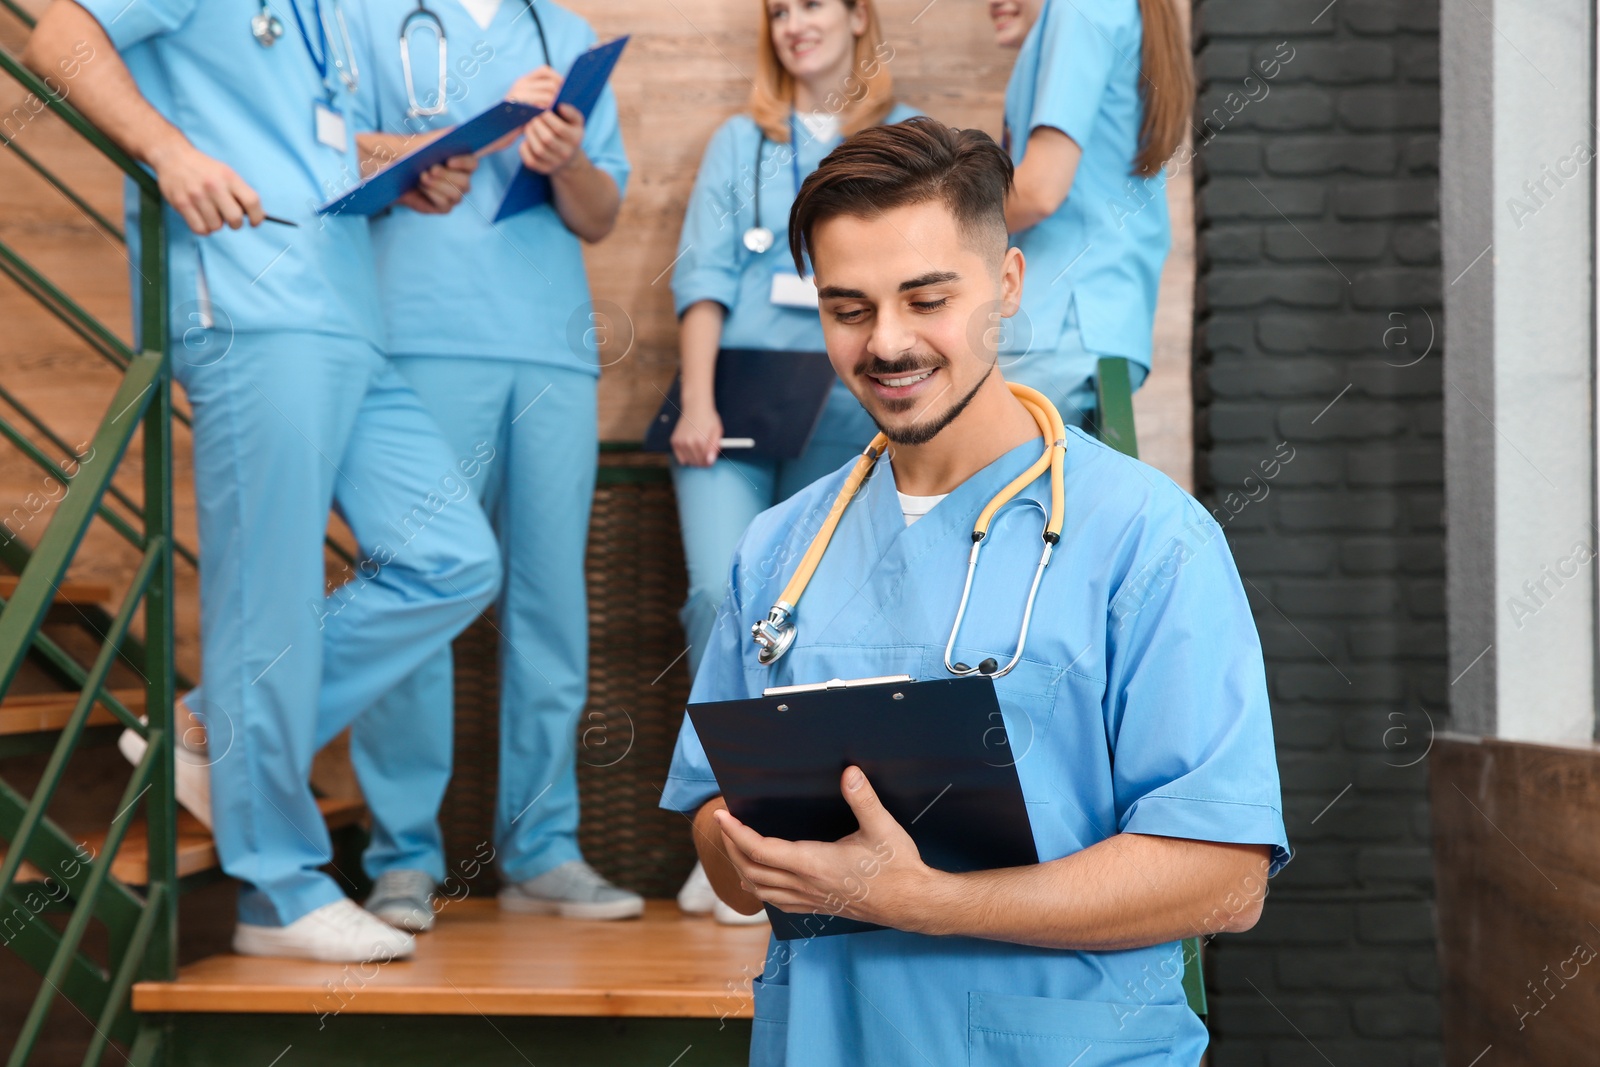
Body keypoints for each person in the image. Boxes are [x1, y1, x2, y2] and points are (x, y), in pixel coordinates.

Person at [660, 118, 1288, 1065]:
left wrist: (927, 900)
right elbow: (720, 835)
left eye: (926, 298)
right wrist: (738, 846)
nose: (888, 342)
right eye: (848, 307)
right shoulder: (779, 549)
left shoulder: (1149, 539)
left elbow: (1222, 879)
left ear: (1006, 285)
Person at [24, 1, 501, 963]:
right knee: (267, 596)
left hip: (344, 312)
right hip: (246, 303)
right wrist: (169, 151)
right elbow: (59, 33)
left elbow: (298, 132)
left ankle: (205, 729)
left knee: (452, 558)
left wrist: (399, 169)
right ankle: (277, 892)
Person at [338, 0, 637, 927]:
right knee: (414, 588)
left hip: (551, 347)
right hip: (418, 334)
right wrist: (439, 146)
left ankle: (544, 846)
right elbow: (330, 162)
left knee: (551, 604)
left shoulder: (569, 36)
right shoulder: (362, 20)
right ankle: (401, 860)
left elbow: (601, 213)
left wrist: (566, 161)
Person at [666, 0, 915, 924]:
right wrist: (696, 402)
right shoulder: (742, 140)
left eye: (812, 5)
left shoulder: (898, 140)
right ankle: (729, 834)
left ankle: (813, 831)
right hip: (727, 414)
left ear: (858, 18)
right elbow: (702, 275)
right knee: (714, 596)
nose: (793, 25)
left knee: (826, 615)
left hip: (847, 414)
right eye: (777, 11)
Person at [990, 0, 1191, 428]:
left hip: (1060, 329)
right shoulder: (1113, 12)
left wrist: (927, 227)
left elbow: (1039, 190)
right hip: (1098, 327)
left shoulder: (1082, 9)